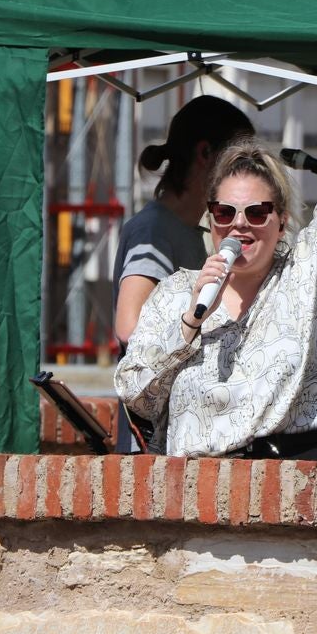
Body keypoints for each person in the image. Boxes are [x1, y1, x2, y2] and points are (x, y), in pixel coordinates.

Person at [115, 5, 317, 459]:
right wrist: (189, 322)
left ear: (281, 218)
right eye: (225, 212)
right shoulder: (175, 295)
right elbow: (137, 395)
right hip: (195, 502)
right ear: (210, 218)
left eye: (256, 211)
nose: (239, 223)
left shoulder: (309, 270)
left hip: (294, 488)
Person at [112, 94, 254, 452]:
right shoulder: (155, 231)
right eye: (235, 162)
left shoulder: (185, 230)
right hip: (152, 441)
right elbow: (130, 326)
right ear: (205, 154)